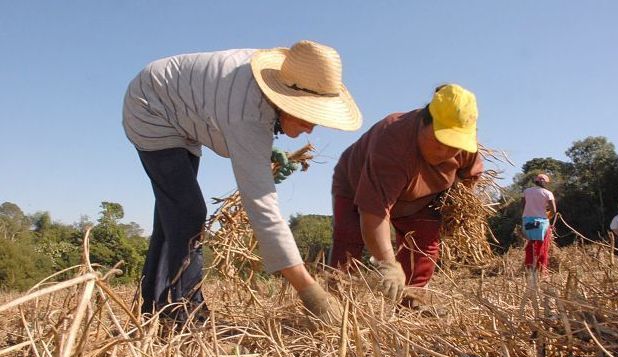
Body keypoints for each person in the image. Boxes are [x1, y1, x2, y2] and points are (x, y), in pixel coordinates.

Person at [122, 40, 362, 324]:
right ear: (285, 98)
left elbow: (235, 124)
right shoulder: (246, 111)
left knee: (173, 217)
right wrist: (310, 292)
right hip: (151, 107)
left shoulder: (270, 87)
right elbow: (262, 207)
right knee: (187, 212)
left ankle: (156, 310)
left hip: (180, 108)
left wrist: (264, 150)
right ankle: (187, 314)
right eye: (308, 115)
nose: (311, 127)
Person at [329, 84, 484, 303]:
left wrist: (452, 208)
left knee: (424, 243)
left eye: (455, 146)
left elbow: (468, 179)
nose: (447, 152)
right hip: (355, 185)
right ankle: (334, 302)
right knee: (348, 241)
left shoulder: (467, 149)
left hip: (420, 198)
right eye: (441, 142)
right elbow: (374, 212)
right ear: (424, 120)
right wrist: (388, 264)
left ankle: (412, 301)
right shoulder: (393, 141)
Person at [521, 174, 557, 273]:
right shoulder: (548, 193)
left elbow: (523, 206)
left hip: (527, 221)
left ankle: (529, 268)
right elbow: (554, 210)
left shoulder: (526, 191)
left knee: (530, 245)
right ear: (544, 182)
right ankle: (541, 270)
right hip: (542, 222)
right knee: (542, 246)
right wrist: (548, 216)